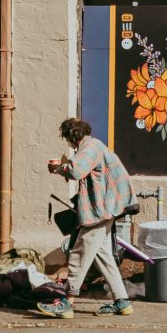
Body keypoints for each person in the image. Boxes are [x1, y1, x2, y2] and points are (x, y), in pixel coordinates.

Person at [38, 118, 135, 318]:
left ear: (71, 136)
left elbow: (76, 170)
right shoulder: (94, 145)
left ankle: (66, 303)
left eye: (67, 138)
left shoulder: (90, 147)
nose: (68, 143)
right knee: (103, 255)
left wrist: (58, 168)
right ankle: (122, 301)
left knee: (79, 253)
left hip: (100, 211)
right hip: (106, 208)